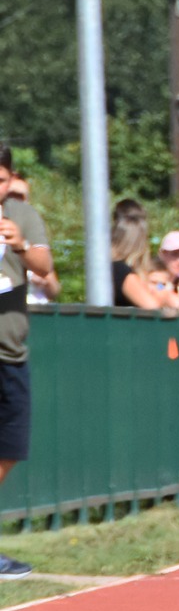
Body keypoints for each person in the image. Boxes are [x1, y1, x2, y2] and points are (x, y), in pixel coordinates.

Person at [0, 146, 52, 580]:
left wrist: (18, 244)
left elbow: (44, 265)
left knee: (10, 450)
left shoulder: (21, 213)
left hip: (11, 353)